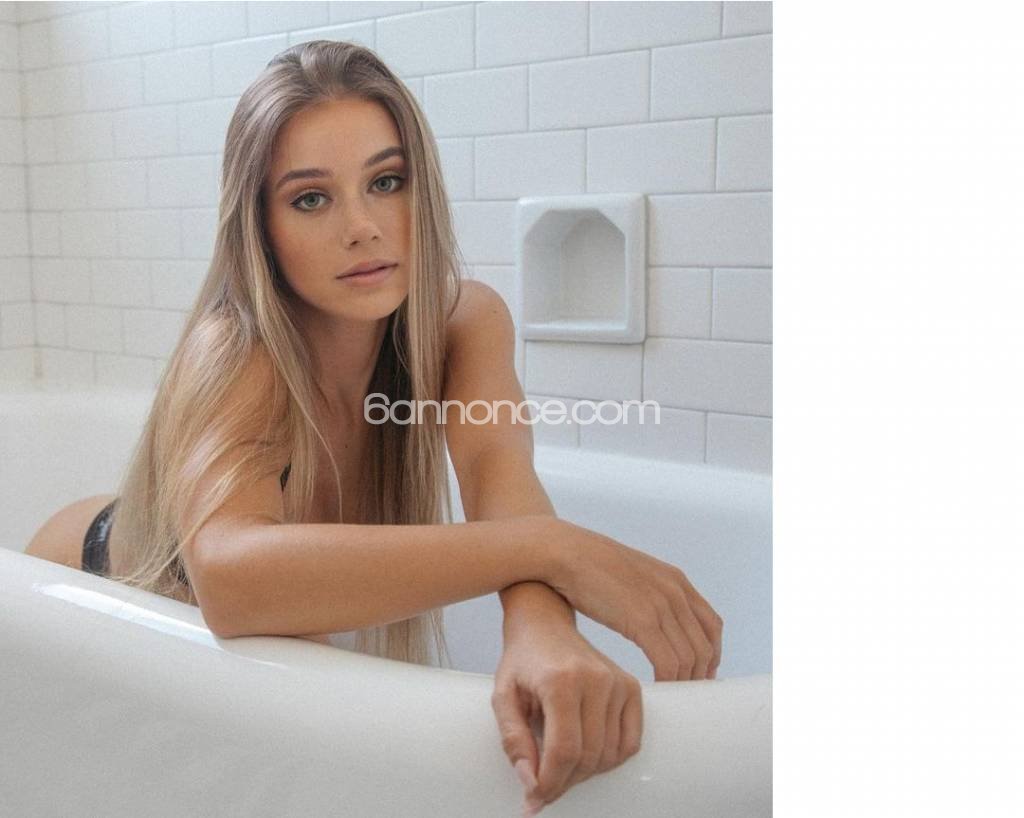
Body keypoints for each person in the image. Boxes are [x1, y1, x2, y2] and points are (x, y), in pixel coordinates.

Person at [24, 40, 722, 816]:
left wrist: (543, 627)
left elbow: (500, 477)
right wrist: (559, 550)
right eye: (310, 199)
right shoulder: (236, 349)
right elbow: (230, 579)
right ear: (260, 226)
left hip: (249, 626)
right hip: (82, 588)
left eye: (386, 182)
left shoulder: (462, 323)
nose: (362, 227)